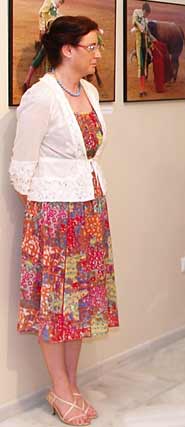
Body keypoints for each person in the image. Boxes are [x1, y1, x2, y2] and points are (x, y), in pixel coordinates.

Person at [9, 15, 118, 426]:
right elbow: (21, 169)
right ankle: (58, 388)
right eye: (92, 46)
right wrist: (47, 217)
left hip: (90, 208)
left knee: (81, 304)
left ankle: (71, 384)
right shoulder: (41, 96)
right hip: (54, 216)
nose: (97, 54)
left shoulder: (87, 89)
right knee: (55, 306)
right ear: (67, 49)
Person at [22, 0, 65, 92]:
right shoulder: (49, 2)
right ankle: (28, 80)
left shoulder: (54, 8)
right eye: (60, 3)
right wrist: (42, 28)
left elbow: (55, 16)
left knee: (43, 55)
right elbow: (41, 13)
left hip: (52, 33)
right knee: (44, 54)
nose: (59, 5)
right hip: (48, 34)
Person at [131, 2, 152, 97]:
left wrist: (152, 42)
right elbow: (134, 22)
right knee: (141, 67)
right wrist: (142, 28)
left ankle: (143, 89)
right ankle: (141, 90)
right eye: (147, 13)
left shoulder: (146, 20)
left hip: (145, 46)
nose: (147, 16)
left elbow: (148, 33)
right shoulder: (136, 13)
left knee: (144, 67)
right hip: (139, 45)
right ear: (144, 10)